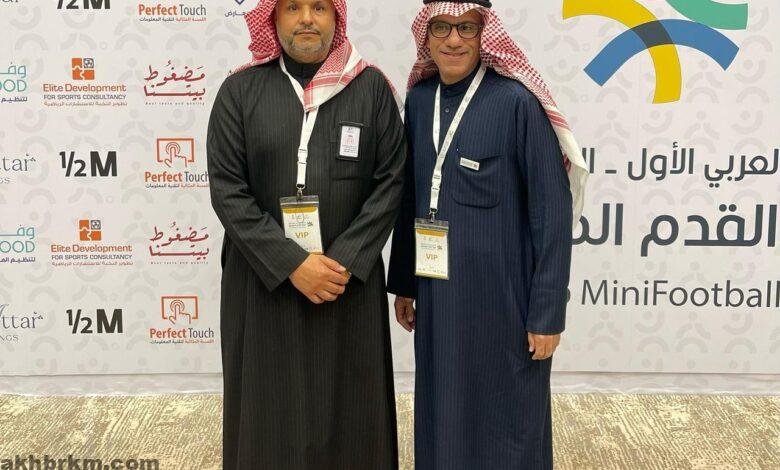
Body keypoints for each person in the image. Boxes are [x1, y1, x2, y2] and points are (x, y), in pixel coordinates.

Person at [387, 1, 588, 468]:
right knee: (443, 408)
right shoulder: (419, 101)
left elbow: (552, 214)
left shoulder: (517, 102)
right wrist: (405, 283)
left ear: (485, 34)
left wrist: (547, 313)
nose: (453, 40)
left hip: (505, 303)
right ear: (426, 35)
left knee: (509, 419)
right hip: (438, 296)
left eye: (467, 28)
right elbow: (410, 196)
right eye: (442, 28)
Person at [207, 0, 405, 468]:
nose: (306, 19)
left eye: (319, 7)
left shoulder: (371, 89)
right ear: (273, 19)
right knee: (267, 409)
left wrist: (342, 262)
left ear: (337, 18)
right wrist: (292, 263)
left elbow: (392, 181)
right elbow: (228, 191)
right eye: (292, 7)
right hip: (263, 284)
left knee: (352, 412)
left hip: (346, 283)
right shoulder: (240, 91)